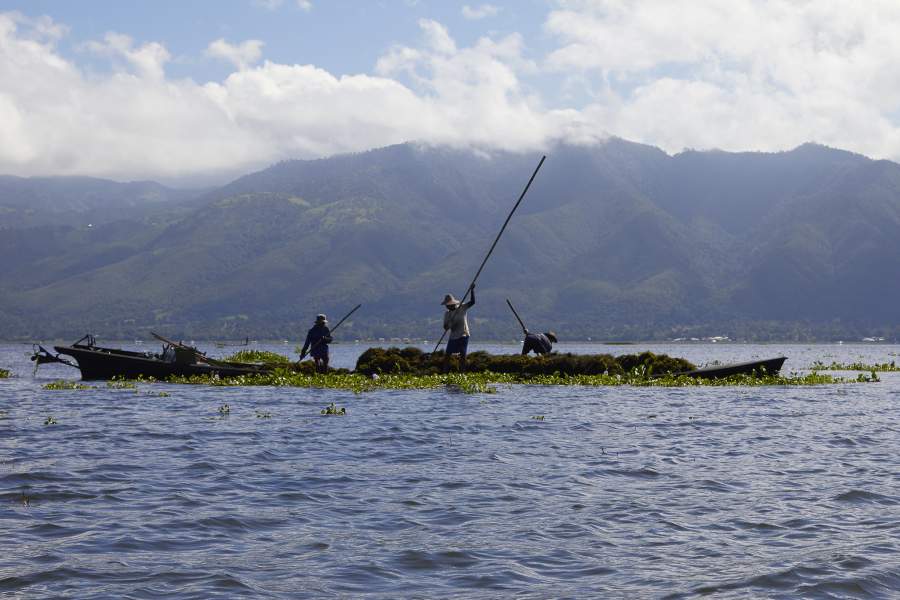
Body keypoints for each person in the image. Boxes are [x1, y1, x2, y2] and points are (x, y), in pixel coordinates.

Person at [442, 284, 475, 372]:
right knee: (447, 355)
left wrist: (472, 290)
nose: (447, 306)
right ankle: (445, 372)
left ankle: (462, 372)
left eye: (448, 305)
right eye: (446, 305)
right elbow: (445, 327)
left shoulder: (462, 308)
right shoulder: (447, 314)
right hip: (453, 336)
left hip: (463, 334)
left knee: (462, 354)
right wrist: (449, 324)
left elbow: (472, 302)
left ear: (452, 304)